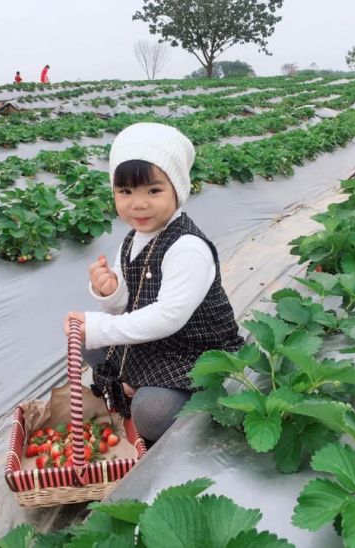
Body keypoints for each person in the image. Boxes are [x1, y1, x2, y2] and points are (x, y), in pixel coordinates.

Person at [64, 123, 243, 443]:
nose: (139, 203)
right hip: (153, 344)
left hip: (194, 352)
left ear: (178, 190)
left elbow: (168, 317)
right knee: (83, 342)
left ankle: (175, 394)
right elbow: (126, 305)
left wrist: (101, 328)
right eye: (126, 192)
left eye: (153, 191)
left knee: (152, 414)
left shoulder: (188, 247)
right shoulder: (133, 239)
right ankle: (133, 382)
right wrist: (110, 291)